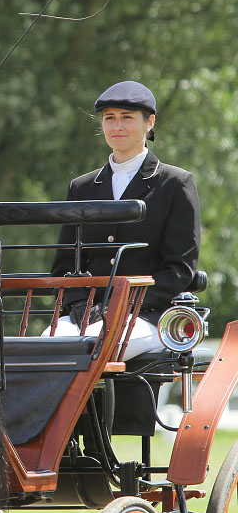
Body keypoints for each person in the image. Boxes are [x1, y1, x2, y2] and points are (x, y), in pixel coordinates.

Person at [49, 80, 201, 359]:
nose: (117, 126)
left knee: (94, 346)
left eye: (127, 118)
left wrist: (122, 305)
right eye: (110, 118)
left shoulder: (175, 184)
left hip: (147, 316)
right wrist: (78, 303)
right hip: (86, 316)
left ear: (149, 122)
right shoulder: (82, 187)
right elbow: (64, 266)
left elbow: (179, 269)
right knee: (44, 345)